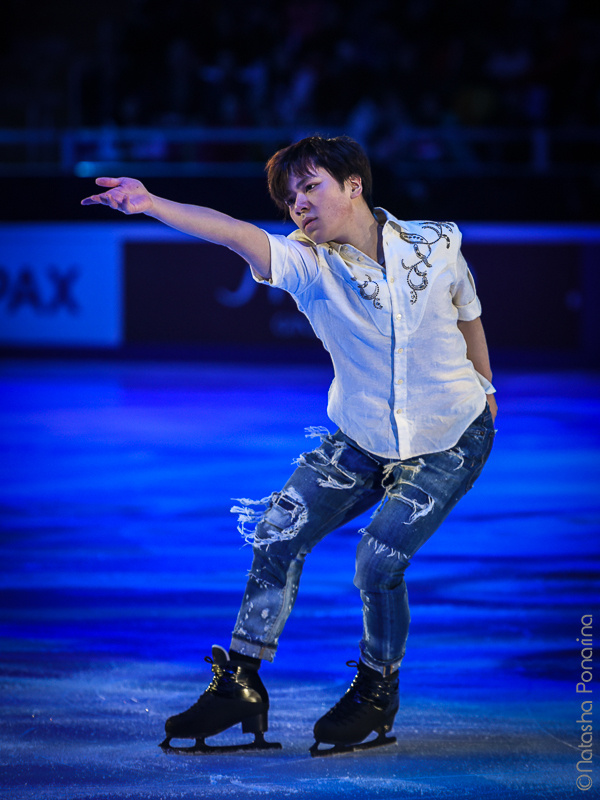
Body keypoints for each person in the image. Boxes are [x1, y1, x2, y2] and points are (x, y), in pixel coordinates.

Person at [82, 134, 497, 757]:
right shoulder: (308, 262)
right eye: (289, 197)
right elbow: (233, 232)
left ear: (353, 184)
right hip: (362, 437)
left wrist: (486, 384)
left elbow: (468, 309)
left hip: (449, 436)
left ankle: (379, 688)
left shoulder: (435, 243)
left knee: (379, 562)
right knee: (279, 530)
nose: (298, 204)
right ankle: (241, 683)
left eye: (311, 187)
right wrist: (151, 203)